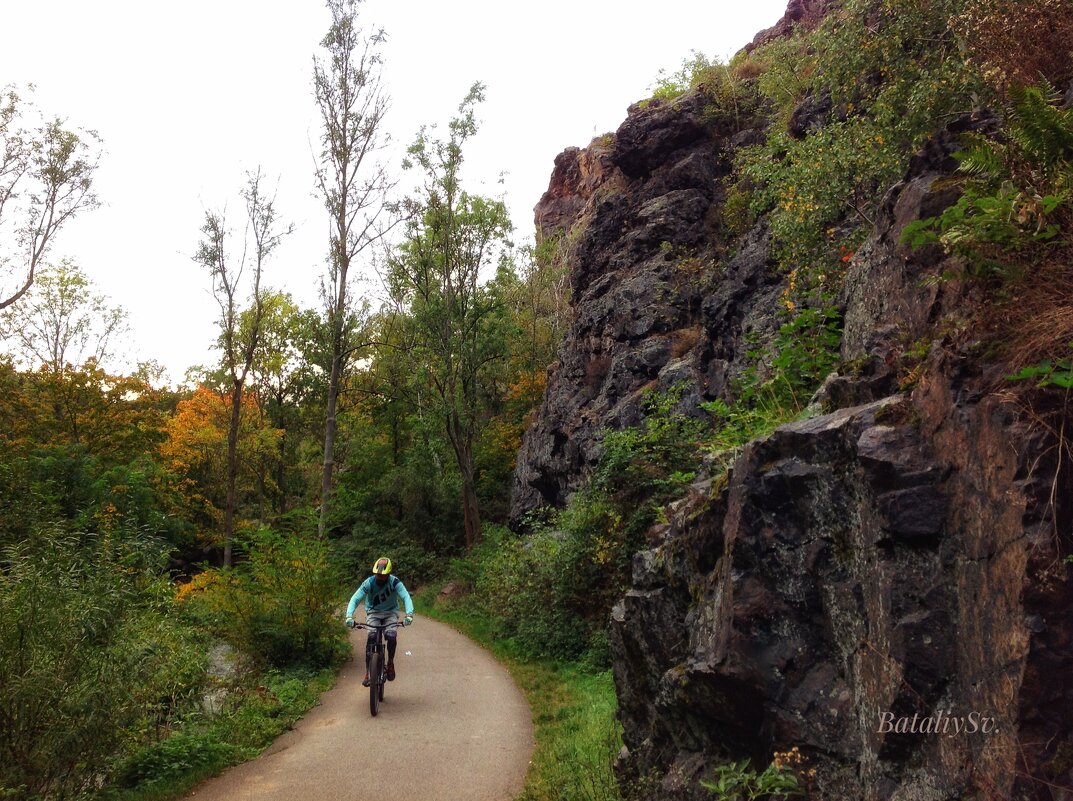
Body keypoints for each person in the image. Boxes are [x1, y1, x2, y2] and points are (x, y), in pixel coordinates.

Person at [345, 557, 414, 687]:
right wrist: (349, 616)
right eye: (378, 575)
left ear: (388, 574)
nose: (380, 577)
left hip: (391, 613)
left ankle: (391, 662)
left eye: (383, 575)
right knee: (371, 638)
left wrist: (409, 614)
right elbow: (355, 598)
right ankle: (368, 672)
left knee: (391, 636)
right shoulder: (369, 583)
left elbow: (406, 597)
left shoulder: (395, 582)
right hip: (373, 613)